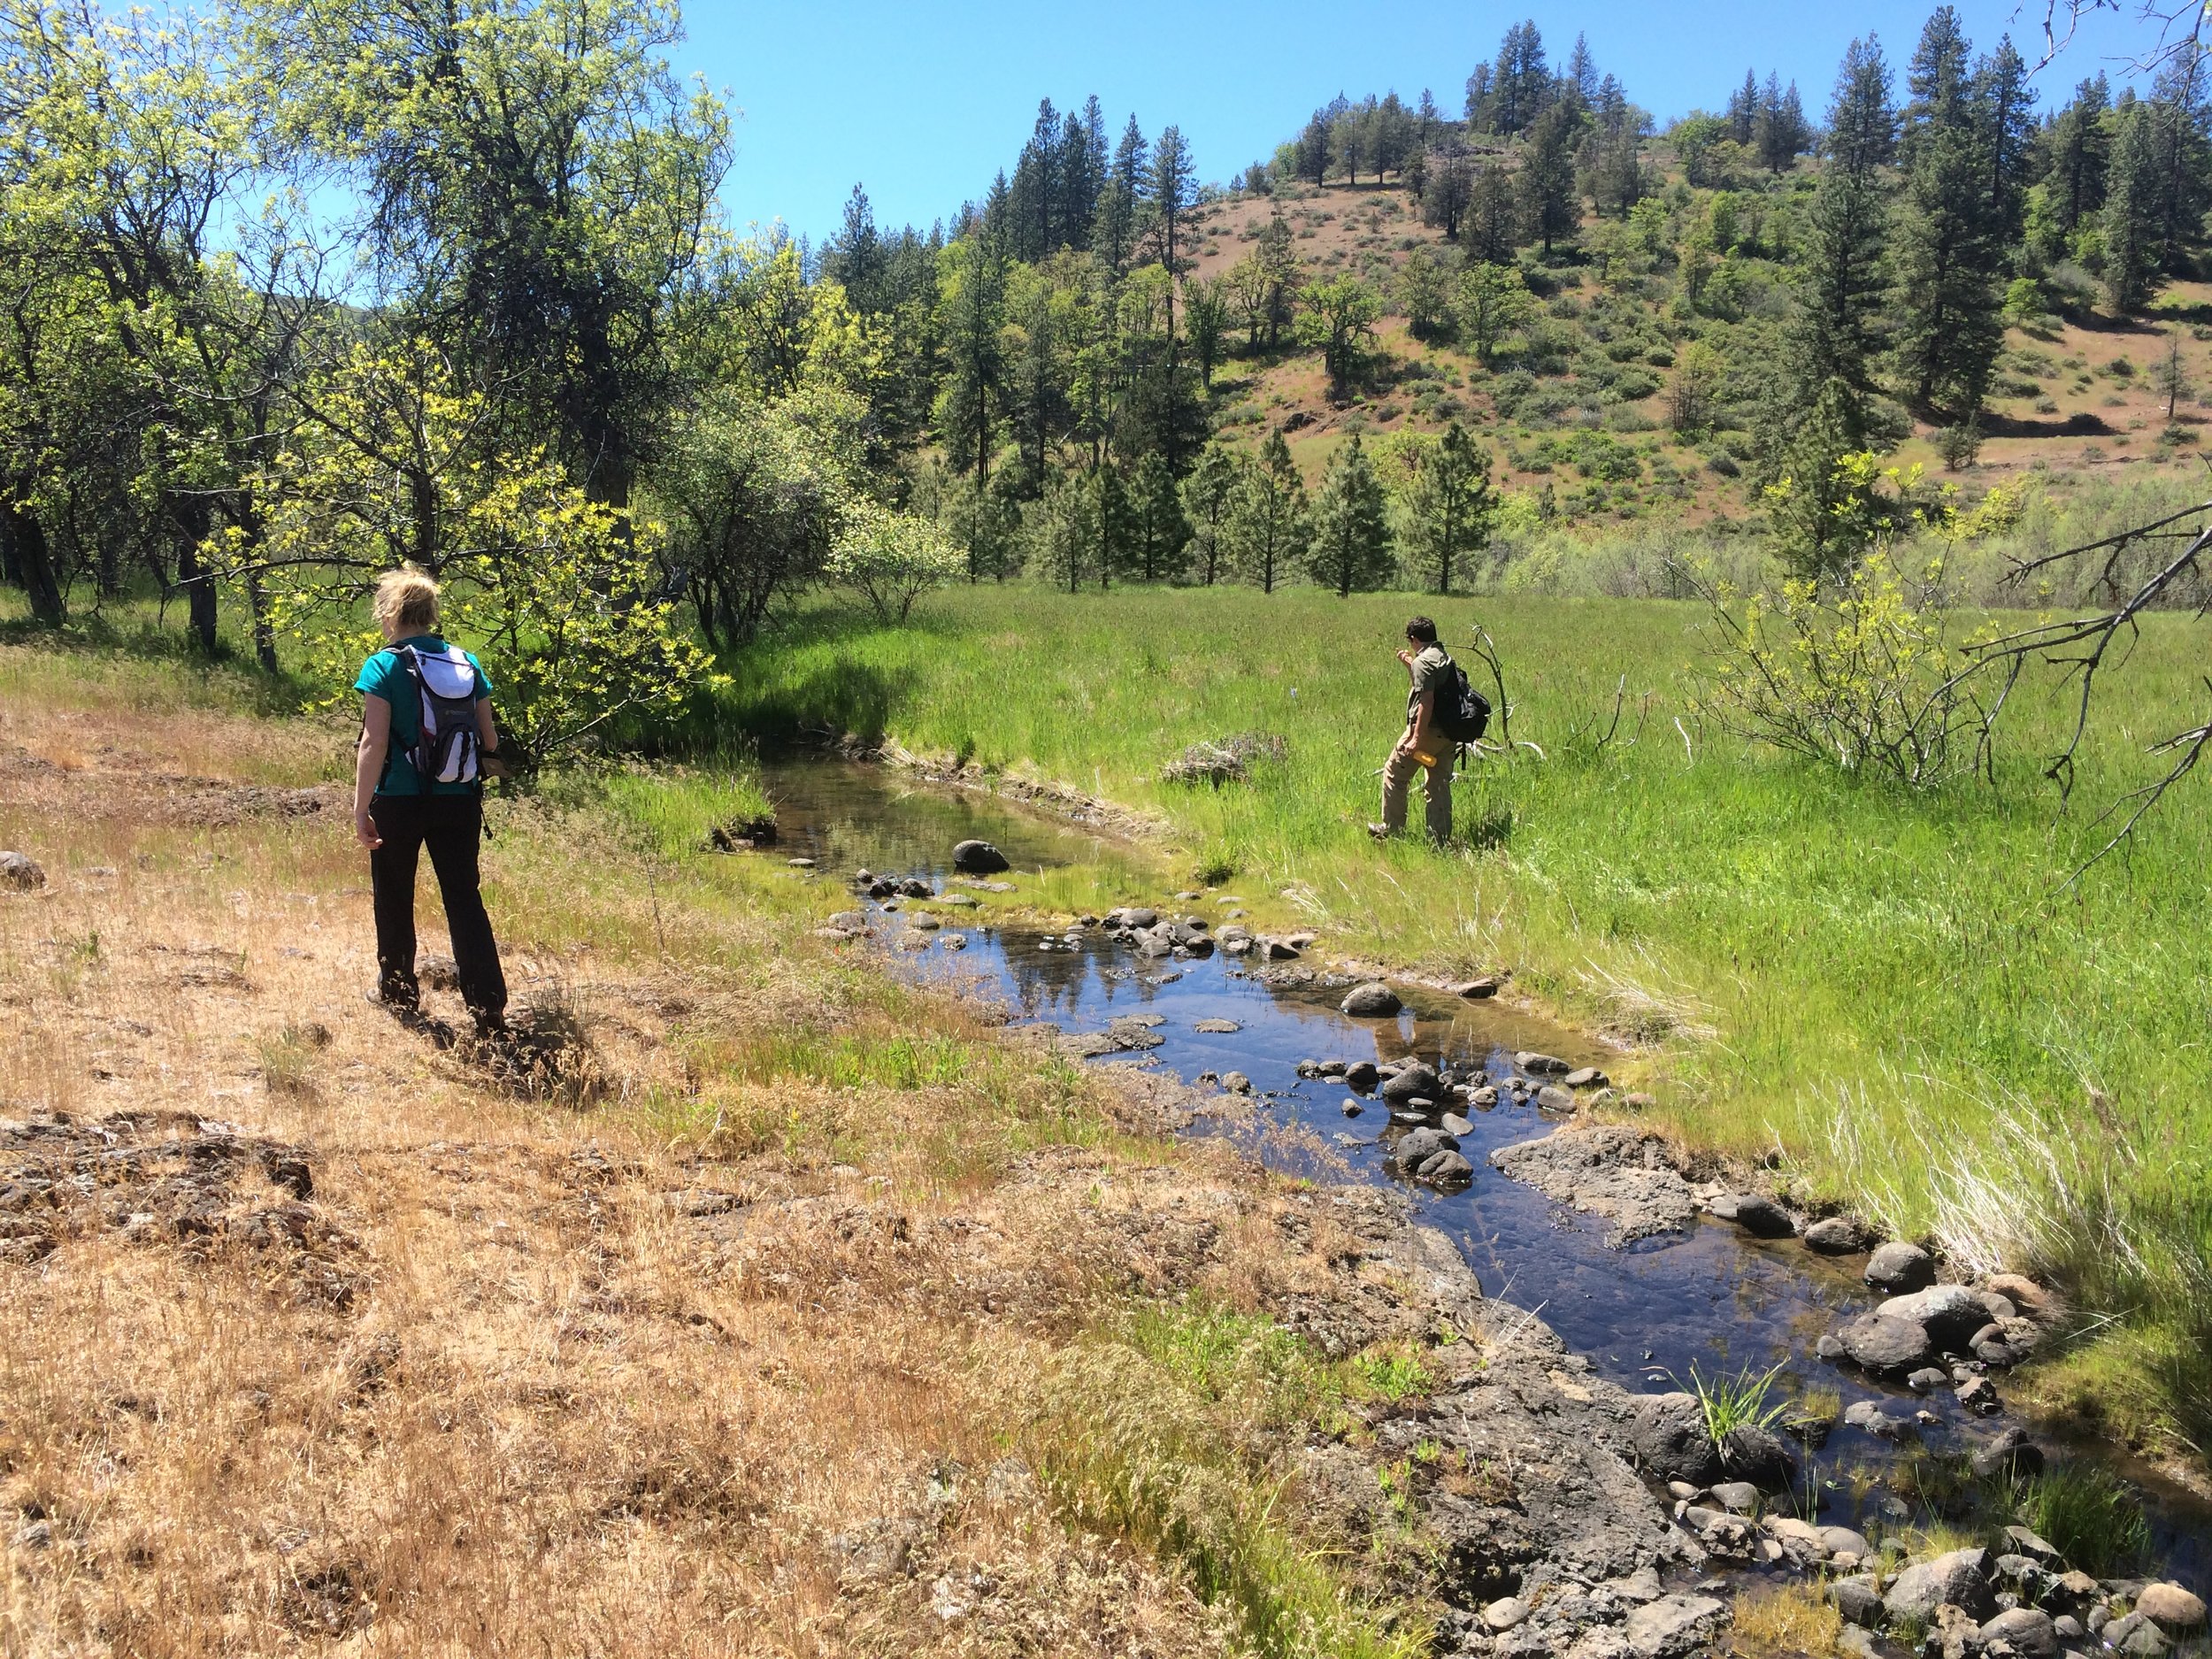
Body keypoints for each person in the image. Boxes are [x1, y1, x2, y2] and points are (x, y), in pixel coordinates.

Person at [352, 567, 510, 1034]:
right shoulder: (466, 661)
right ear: (431, 613)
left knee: (395, 894)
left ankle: (399, 992)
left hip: (399, 799)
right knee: (464, 899)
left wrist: (361, 809)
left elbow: (372, 743)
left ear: (390, 612)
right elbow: (489, 737)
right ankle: (488, 1006)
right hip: (459, 798)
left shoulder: (382, 666)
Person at [1371, 616, 1454, 844]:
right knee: (1438, 784)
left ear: (1414, 639)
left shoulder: (1423, 662)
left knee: (1395, 775)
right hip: (1448, 735)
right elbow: (1430, 685)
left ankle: (1392, 831)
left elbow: (1426, 701)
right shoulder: (1444, 657)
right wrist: (1410, 665)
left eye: (1410, 641)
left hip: (1426, 732)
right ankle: (1439, 840)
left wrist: (1416, 738)